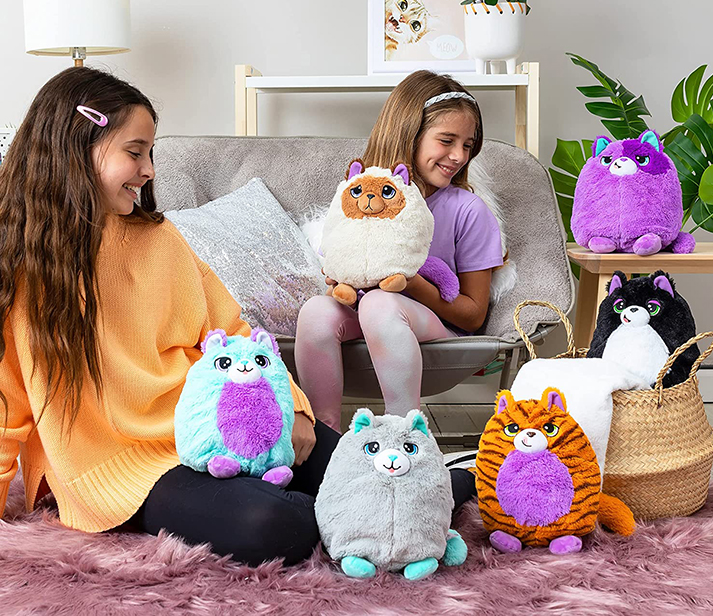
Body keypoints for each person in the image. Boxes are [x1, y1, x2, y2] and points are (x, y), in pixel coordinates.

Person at [0, 66, 337, 566]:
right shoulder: (19, 262)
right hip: (121, 468)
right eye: (134, 152)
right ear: (75, 146)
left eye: (149, 153)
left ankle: (406, 495)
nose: (150, 169)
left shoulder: (161, 239)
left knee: (366, 464)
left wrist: (295, 409)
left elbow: (237, 334)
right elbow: (7, 402)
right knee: (276, 525)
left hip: (222, 423)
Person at [295, 70, 503, 434]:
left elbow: (473, 316)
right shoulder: (361, 195)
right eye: (447, 140)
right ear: (409, 135)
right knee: (315, 311)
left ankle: (403, 433)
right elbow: (339, 257)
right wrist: (339, 272)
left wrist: (412, 285)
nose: (458, 156)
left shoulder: (468, 210)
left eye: (467, 145)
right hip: (363, 314)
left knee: (380, 304)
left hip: (435, 325)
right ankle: (322, 435)